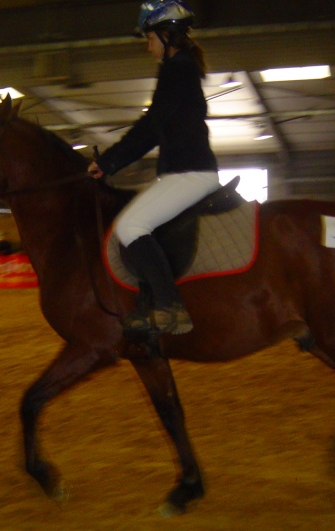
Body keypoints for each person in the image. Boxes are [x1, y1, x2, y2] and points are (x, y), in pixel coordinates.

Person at [87, 0, 220, 335]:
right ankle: (149, 303)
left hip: (189, 173)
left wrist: (109, 162)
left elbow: (151, 128)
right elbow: (156, 127)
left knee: (130, 226)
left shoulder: (179, 69)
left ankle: (170, 307)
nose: (148, 47)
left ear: (167, 35)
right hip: (181, 172)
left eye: (149, 39)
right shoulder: (179, 68)